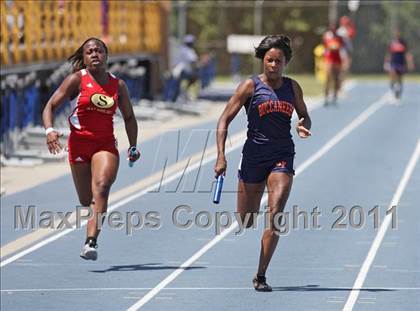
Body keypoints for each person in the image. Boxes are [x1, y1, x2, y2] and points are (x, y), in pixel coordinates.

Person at [214, 35, 312, 291]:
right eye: (269, 60)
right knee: (246, 220)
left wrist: (303, 125)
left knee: (276, 212)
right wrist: (221, 156)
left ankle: (260, 275)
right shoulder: (250, 87)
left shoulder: (292, 88)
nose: (273, 65)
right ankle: (247, 201)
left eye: (279, 61)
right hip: (253, 157)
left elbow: (304, 115)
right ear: (263, 60)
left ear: (285, 62)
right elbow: (224, 120)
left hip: (282, 154)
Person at [42, 38, 140, 260]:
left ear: (106, 55)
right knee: (87, 200)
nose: (94, 54)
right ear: (84, 58)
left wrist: (133, 145)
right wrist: (49, 131)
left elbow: (129, 117)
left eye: (99, 51)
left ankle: (91, 242)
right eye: (89, 52)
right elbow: (50, 106)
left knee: (102, 188)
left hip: (105, 144)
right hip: (78, 145)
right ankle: (92, 226)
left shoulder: (118, 85)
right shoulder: (76, 80)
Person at [164, 34, 199, 102]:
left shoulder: (180, 49)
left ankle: (173, 98)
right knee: (193, 78)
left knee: (174, 85)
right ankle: (182, 94)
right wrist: (196, 71)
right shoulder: (188, 50)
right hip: (182, 72)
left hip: (176, 71)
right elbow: (193, 61)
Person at [384, 31, 415, 99]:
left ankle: (398, 93)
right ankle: (392, 86)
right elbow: (388, 54)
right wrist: (386, 63)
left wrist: (410, 63)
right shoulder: (392, 42)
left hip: (401, 63)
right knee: (393, 74)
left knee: (400, 79)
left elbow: (407, 54)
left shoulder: (403, 43)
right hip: (393, 63)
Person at [323, 23, 345, 105]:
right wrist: (332, 47)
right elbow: (328, 46)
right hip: (329, 59)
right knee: (328, 78)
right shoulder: (327, 35)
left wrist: (335, 46)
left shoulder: (339, 37)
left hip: (337, 59)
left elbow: (340, 46)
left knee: (336, 78)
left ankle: (334, 97)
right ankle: (326, 97)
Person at [337, 15, 356, 88]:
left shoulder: (348, 29)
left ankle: (341, 82)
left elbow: (352, 34)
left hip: (347, 51)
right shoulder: (341, 30)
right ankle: (339, 84)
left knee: (346, 68)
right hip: (343, 51)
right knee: (344, 67)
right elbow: (346, 36)